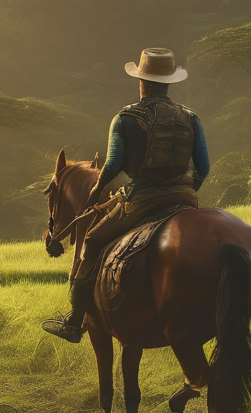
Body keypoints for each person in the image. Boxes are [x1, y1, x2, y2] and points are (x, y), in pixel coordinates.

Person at [42, 48, 210, 343]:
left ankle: (74, 321)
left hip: (141, 199)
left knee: (92, 243)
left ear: (142, 82)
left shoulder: (126, 118)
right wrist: (184, 191)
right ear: (169, 81)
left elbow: (113, 164)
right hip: (185, 198)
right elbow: (203, 168)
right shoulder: (190, 117)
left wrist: (95, 192)